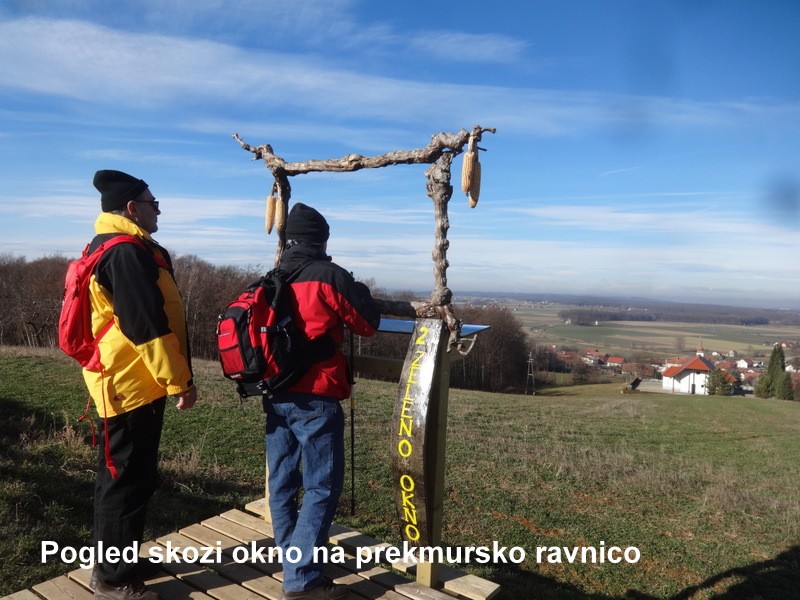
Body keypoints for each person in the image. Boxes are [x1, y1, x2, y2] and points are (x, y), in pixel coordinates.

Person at [83, 170, 197, 600]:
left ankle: (120, 561)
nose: (158, 208)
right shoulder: (126, 253)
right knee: (124, 480)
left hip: (134, 381)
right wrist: (179, 381)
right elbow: (146, 327)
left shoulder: (121, 246)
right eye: (153, 202)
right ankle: (112, 581)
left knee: (133, 476)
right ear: (132, 208)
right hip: (130, 385)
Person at [265, 203, 380, 600]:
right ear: (323, 240)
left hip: (273, 391)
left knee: (281, 481)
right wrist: (357, 286)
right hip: (316, 394)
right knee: (321, 486)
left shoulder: (272, 276)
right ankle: (300, 579)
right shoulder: (329, 276)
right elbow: (367, 323)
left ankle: (292, 560)